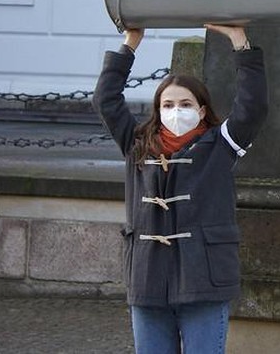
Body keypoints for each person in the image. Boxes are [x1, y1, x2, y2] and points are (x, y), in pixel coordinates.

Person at [92, 24, 267, 354]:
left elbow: (252, 106)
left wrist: (240, 42)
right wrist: (131, 41)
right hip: (148, 281)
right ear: (157, 110)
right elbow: (105, 100)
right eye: (168, 105)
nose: (176, 111)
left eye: (185, 104)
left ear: (201, 110)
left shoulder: (220, 143)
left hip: (203, 282)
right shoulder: (137, 144)